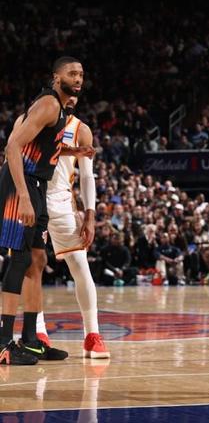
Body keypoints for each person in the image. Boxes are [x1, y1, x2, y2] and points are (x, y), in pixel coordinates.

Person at [0, 57, 91, 364]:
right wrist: (23, 197)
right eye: (71, 73)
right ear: (56, 77)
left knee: (37, 260)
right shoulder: (49, 104)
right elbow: (12, 146)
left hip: (37, 185)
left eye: (81, 74)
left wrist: (75, 150)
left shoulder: (60, 110)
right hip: (22, 185)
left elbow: (42, 143)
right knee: (20, 259)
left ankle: (31, 340)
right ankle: (3, 344)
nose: (77, 78)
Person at [31, 96, 110, 358]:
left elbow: (87, 176)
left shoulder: (80, 129)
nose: (73, 96)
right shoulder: (36, 119)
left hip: (62, 201)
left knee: (79, 263)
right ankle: (38, 331)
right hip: (33, 196)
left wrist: (90, 215)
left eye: (78, 85)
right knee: (32, 266)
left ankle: (92, 335)